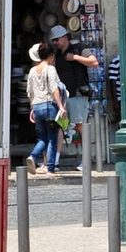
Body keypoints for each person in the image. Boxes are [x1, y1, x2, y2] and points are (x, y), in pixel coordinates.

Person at [49, 24, 101, 165]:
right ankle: (55, 160)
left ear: (65, 37)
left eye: (57, 39)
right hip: (64, 97)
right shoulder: (57, 55)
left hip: (78, 94)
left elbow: (94, 62)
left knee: (80, 126)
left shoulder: (79, 48)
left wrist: (75, 57)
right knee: (59, 126)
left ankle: (86, 160)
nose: (55, 43)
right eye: (53, 40)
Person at [25, 41, 67, 174]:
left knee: (42, 137)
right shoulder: (50, 69)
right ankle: (50, 168)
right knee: (52, 138)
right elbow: (54, 89)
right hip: (49, 106)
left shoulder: (32, 71)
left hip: (37, 107)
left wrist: (32, 107)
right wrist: (61, 106)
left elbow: (29, 92)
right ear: (50, 55)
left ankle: (33, 156)